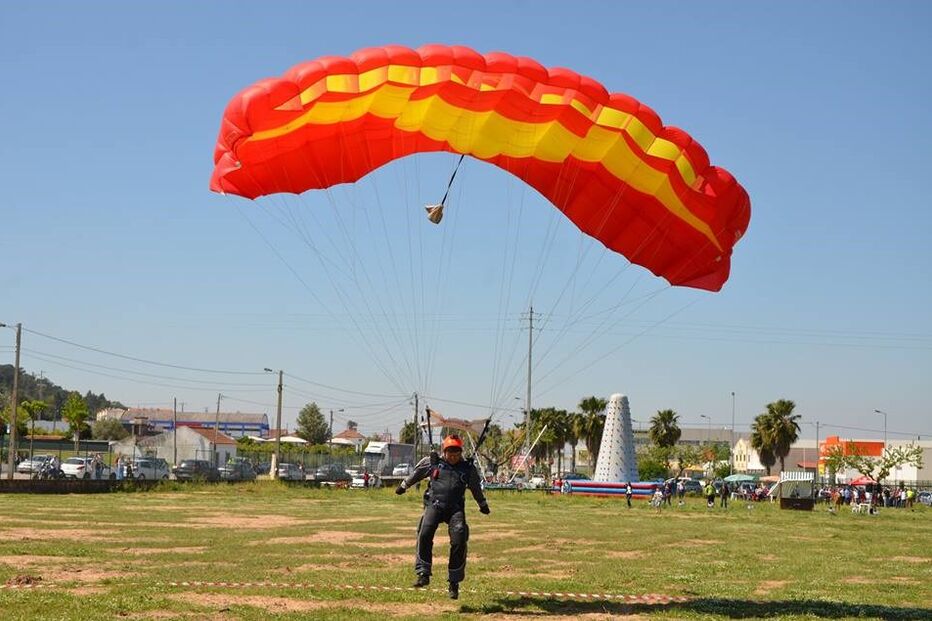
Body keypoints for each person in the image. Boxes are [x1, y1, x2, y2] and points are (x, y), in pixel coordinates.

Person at [396, 434, 490, 600]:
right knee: (424, 532)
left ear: (461, 453)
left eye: (456, 454)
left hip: (455, 509)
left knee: (460, 538)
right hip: (435, 505)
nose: (453, 457)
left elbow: (475, 488)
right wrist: (403, 486)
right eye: (450, 454)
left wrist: (482, 505)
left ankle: (454, 582)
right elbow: (416, 474)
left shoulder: (467, 468)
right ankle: (423, 573)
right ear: (444, 452)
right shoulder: (433, 463)